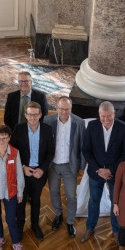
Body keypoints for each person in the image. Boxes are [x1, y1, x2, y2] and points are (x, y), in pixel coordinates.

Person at [80, 101, 125, 243]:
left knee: (116, 202)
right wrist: (98, 169)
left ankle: (116, 230)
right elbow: (86, 150)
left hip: (115, 173)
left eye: (109, 116)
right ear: (99, 115)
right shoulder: (92, 126)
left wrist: (111, 169)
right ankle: (90, 228)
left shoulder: (124, 128)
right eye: (103, 116)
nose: (106, 120)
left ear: (114, 114)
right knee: (94, 201)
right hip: (95, 172)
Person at [13, 101, 54, 240]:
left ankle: (35, 225)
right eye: (30, 114)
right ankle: (20, 225)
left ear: (40, 115)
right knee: (21, 200)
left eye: (35, 115)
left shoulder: (47, 130)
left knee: (36, 200)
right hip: (23, 171)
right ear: (25, 115)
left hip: (39, 173)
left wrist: (42, 169)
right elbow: (14, 151)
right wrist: (23, 167)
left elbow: (50, 152)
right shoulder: (18, 129)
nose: (32, 118)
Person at [44, 96, 83, 237]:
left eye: (67, 109)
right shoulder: (48, 121)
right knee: (53, 192)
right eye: (61, 109)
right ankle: (58, 215)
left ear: (71, 109)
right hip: (52, 165)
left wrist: (82, 166)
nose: (64, 112)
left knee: (71, 196)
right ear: (56, 108)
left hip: (69, 166)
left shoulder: (79, 122)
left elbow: (82, 146)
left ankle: (70, 222)